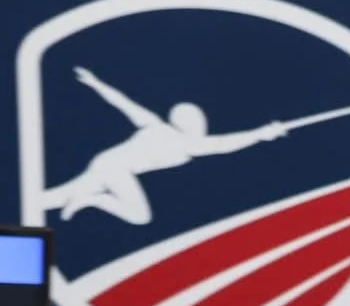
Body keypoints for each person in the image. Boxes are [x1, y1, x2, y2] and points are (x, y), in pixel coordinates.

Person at [42, 66, 290, 225]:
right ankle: (93, 200)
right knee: (140, 216)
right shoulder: (185, 144)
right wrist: (262, 134)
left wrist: (96, 83)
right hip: (113, 169)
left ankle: (80, 198)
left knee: (50, 200)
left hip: (106, 164)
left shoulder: (154, 125)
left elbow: (123, 103)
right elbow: (224, 144)